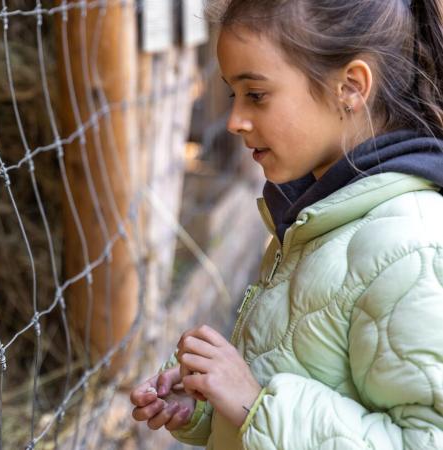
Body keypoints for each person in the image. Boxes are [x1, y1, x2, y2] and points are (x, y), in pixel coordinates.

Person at [130, 0, 443, 448]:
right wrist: (210, 404)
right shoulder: (322, 215)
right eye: (232, 94)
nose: (235, 120)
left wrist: (254, 404)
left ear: (350, 88)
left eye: (255, 94)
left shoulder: (412, 248)